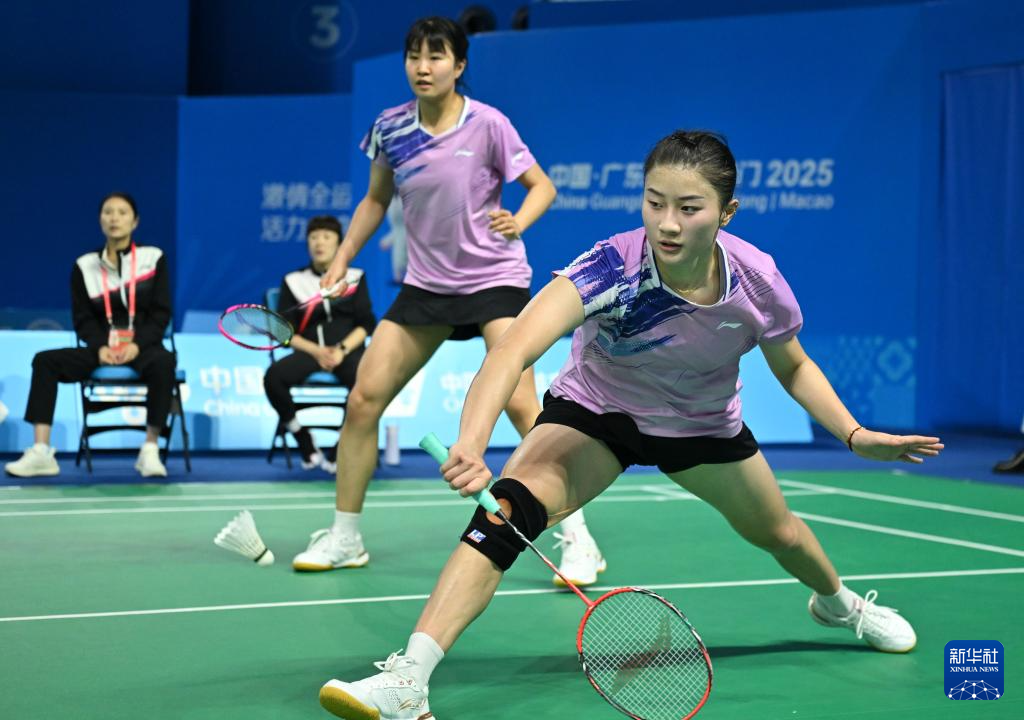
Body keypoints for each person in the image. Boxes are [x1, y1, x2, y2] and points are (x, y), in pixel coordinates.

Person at [316, 131, 945, 720]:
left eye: (689, 208)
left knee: (779, 532)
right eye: (655, 202)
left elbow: (795, 365)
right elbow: (512, 351)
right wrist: (473, 442)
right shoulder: (611, 267)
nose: (667, 223)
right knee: (506, 513)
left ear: (726, 213)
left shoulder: (757, 280)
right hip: (600, 413)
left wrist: (854, 434)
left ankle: (839, 604)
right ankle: (409, 679)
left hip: (701, 424)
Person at [294, 16, 606, 585]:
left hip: (493, 279)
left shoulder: (488, 124)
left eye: (436, 56)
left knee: (523, 406)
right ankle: (345, 536)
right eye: (414, 55)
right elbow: (374, 200)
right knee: (363, 399)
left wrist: (520, 220)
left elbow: (542, 186)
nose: (423, 66)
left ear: (459, 65)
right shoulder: (390, 127)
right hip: (427, 285)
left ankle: (579, 539)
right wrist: (342, 258)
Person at [5, 192, 176, 479]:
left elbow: (161, 313)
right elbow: (83, 318)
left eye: (122, 212)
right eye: (108, 212)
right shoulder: (84, 266)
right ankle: (41, 451)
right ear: (100, 219)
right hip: (101, 350)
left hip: (142, 348)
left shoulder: (153, 258)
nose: (114, 218)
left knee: (164, 362)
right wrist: (99, 348)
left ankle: (150, 450)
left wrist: (136, 345)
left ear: (135, 221)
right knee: (45, 361)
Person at [264, 216, 376, 473]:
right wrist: (317, 351)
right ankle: (302, 438)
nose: (319, 243)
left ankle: (342, 444)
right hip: (310, 352)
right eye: (314, 237)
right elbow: (284, 332)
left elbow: (366, 324)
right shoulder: (294, 281)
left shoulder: (355, 278)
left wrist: (341, 350)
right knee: (273, 378)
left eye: (326, 237)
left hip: (347, 352)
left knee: (367, 382)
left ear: (339, 244)